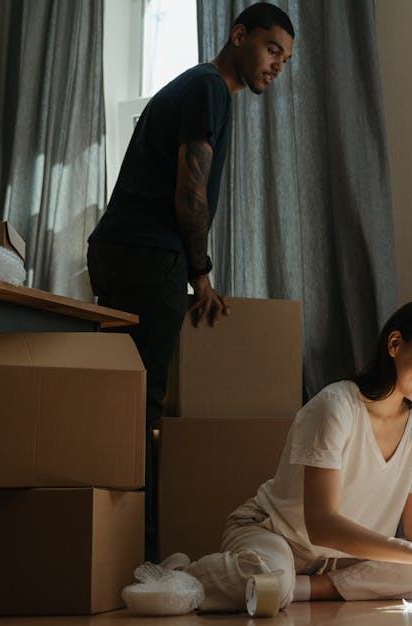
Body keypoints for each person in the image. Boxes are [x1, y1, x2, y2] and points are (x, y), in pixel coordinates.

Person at [135, 301, 412, 615]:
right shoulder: (336, 406)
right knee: (274, 582)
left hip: (339, 559)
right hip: (275, 534)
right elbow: (322, 526)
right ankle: (185, 570)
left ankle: (301, 589)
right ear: (395, 343)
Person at [86, 3, 295, 561]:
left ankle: (114, 539)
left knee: (124, 397)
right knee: (144, 403)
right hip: (148, 255)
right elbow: (190, 193)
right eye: (272, 50)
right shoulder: (207, 88)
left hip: (119, 249)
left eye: (285, 59)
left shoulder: (197, 88)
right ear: (238, 35)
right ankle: (140, 550)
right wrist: (202, 273)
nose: (277, 66)